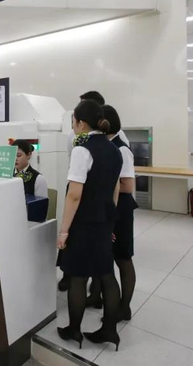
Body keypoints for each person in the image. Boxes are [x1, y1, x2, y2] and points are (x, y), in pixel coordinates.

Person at [57, 100, 122, 351]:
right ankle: (110, 330)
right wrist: (110, 220)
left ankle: (74, 330)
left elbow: (74, 195)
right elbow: (115, 188)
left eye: (73, 121)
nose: (73, 126)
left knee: (77, 276)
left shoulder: (82, 150)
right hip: (104, 219)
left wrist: (64, 231)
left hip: (84, 222)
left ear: (81, 123)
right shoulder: (113, 148)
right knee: (106, 273)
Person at [87, 106, 138, 321]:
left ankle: (124, 306)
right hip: (106, 206)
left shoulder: (121, 149)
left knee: (122, 257)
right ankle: (96, 295)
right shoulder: (104, 145)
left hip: (121, 210)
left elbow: (128, 185)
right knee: (102, 254)